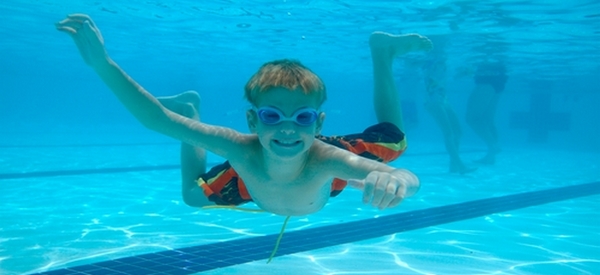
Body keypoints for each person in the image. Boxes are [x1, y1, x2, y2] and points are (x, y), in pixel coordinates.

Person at [55, 14, 431, 216]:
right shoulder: (240, 148)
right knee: (191, 196)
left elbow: (402, 176)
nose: (286, 128)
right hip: (253, 182)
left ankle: (381, 52)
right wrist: (102, 65)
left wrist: (399, 181)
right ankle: (190, 106)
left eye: (301, 118)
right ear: (252, 121)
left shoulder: (326, 158)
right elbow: (157, 119)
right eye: (271, 116)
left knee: (396, 141)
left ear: (318, 124)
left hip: (327, 182)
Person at [421, 37, 476, 174]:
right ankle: (460, 165)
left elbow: (448, 78)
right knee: (448, 133)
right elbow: (415, 65)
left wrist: (463, 73)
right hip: (432, 101)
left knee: (458, 132)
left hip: (443, 99)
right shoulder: (429, 58)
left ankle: (454, 165)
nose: (444, 46)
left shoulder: (443, 60)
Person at [465, 61, 508, 165]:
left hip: (486, 81)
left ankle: (493, 147)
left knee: (472, 118)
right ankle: (491, 156)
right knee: (488, 119)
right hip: (499, 80)